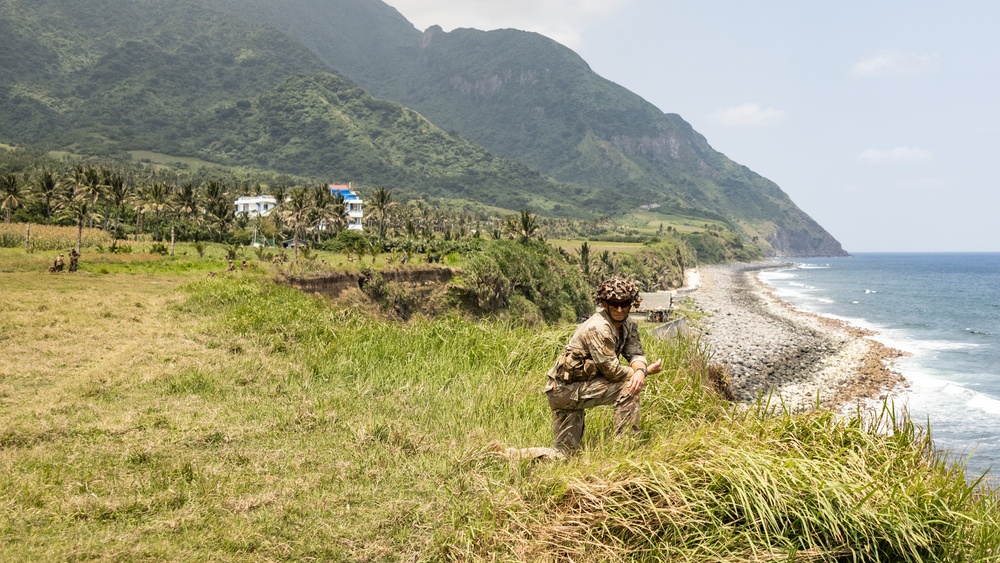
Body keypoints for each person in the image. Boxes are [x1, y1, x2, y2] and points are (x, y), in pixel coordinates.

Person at [545, 276, 663, 454]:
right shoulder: (599, 328)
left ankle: (507, 455)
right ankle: (626, 452)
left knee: (564, 454)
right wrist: (644, 373)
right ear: (604, 303)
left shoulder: (628, 326)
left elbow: (635, 353)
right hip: (565, 390)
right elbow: (613, 372)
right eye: (614, 303)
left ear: (632, 304)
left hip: (575, 388)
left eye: (624, 304)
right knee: (628, 389)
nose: (619, 309)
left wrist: (639, 370)